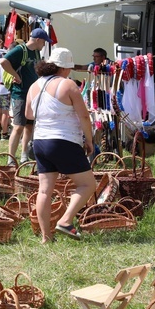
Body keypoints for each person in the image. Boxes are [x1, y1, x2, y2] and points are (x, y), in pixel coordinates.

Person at [25, 48, 95, 243]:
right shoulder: (68, 85)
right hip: (64, 140)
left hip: (40, 141)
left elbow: (29, 115)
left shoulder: (34, 86)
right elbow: (84, 116)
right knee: (88, 184)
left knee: (44, 190)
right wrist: (89, 140)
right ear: (64, 68)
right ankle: (65, 220)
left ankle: (46, 237)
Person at [1, 28, 51, 164]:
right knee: (18, 126)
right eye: (44, 42)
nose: (44, 45)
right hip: (20, 94)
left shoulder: (36, 52)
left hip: (32, 94)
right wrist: (15, 75)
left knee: (29, 126)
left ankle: (24, 155)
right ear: (38, 40)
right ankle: (10, 159)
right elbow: (3, 62)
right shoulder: (20, 50)